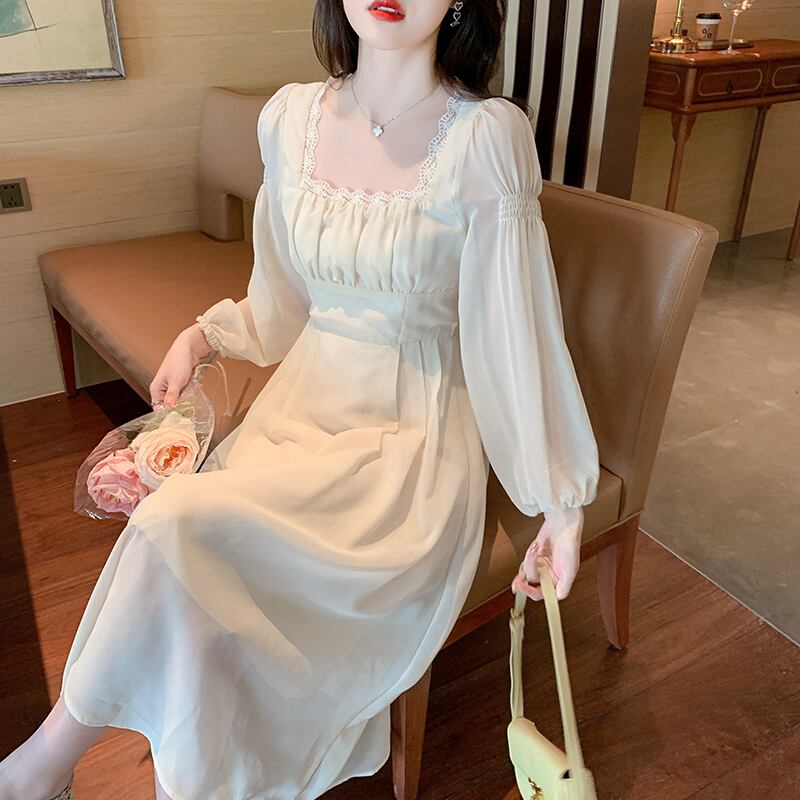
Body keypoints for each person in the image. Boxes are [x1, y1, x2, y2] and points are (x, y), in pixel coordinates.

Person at [0, 1, 599, 798]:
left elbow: (514, 332)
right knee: (185, 558)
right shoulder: (290, 119)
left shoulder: (487, 136)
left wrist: (559, 498)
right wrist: (203, 336)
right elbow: (281, 304)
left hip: (405, 445)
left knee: (175, 527)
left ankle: (40, 770)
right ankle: (145, 775)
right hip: (299, 409)